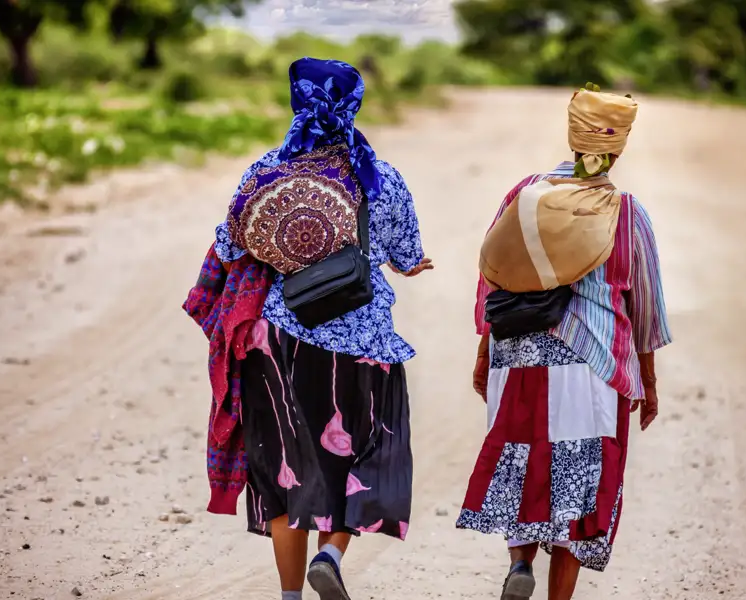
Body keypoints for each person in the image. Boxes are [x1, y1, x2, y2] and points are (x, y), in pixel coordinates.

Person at [200, 57, 432, 600]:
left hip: (274, 338)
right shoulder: (378, 176)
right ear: (354, 106)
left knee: (283, 468)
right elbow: (406, 251)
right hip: (360, 339)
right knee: (367, 450)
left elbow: (232, 242)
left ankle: (289, 596)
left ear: (296, 101)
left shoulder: (266, 169)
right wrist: (406, 263)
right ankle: (331, 553)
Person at [456, 85, 672, 600]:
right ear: (618, 147)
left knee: (519, 456)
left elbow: (493, 275)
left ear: (572, 136)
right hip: (591, 364)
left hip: (516, 354)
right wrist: (649, 380)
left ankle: (519, 564)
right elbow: (644, 305)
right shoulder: (626, 212)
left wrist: (485, 353)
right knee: (580, 485)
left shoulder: (523, 194)